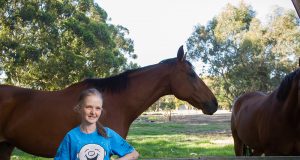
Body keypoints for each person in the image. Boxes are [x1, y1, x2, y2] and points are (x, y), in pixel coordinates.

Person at [54, 88, 139, 160]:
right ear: (79, 108)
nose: (93, 112)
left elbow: (134, 154)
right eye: (89, 107)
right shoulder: (71, 137)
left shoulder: (108, 134)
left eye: (98, 108)